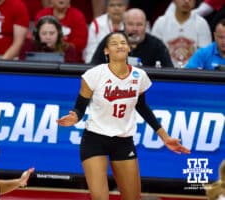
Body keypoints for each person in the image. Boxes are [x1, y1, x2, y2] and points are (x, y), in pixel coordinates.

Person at [57, 31, 190, 200]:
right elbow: (80, 108)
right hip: (94, 139)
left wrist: (164, 136)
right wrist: (75, 117)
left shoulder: (139, 76)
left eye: (123, 43)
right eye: (114, 43)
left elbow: (142, 107)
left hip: (123, 140)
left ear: (128, 48)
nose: (119, 45)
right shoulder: (93, 75)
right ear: (106, 51)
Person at [91, 8, 174, 68]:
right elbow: (93, 67)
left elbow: (169, 72)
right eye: (130, 24)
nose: (135, 29)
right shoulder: (110, 41)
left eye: (139, 25)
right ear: (124, 25)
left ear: (146, 26)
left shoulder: (157, 46)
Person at [151, 0, 212, 68]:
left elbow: (206, 56)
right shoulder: (161, 23)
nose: (186, 1)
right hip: (166, 73)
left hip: (194, 74)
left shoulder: (202, 24)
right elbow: (154, 53)